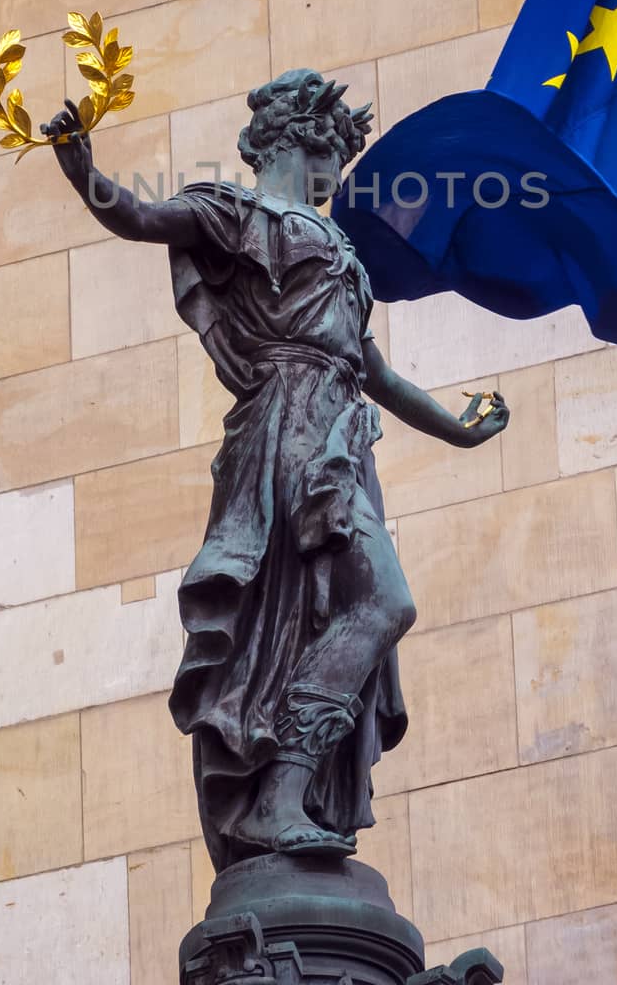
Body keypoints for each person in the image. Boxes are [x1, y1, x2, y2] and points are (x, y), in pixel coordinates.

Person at [42, 69, 508, 870]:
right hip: (285, 428)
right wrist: (81, 169)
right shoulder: (230, 212)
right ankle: (280, 795)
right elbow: (139, 214)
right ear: (307, 139)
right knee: (382, 601)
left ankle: (285, 792)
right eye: (339, 154)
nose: (340, 175)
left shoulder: (342, 257)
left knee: (332, 615)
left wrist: (457, 431)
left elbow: (380, 378)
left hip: (338, 433)